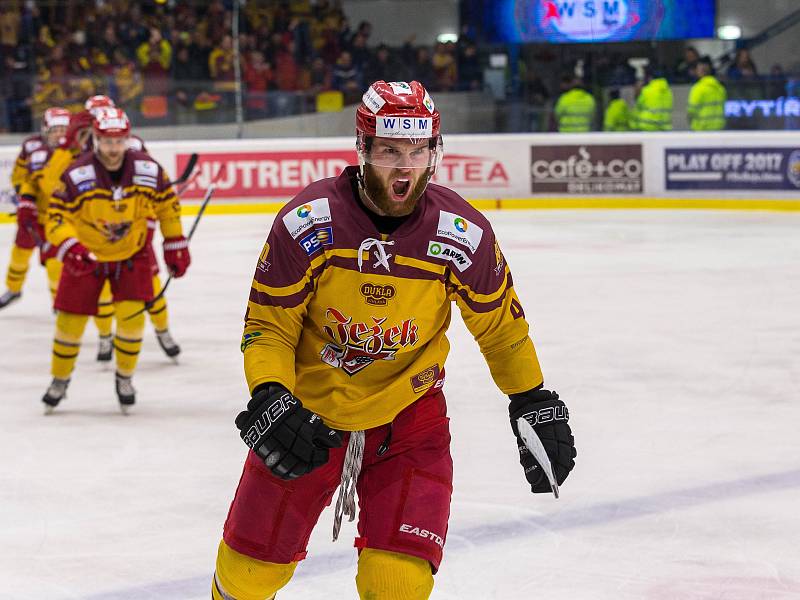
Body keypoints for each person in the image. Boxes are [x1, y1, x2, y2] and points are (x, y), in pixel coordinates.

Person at [212, 80, 576, 600]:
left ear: (435, 152)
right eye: (388, 151)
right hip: (309, 416)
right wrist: (271, 395)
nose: (404, 167)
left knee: (397, 586)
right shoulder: (308, 223)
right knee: (245, 578)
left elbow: (500, 326)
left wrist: (532, 398)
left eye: (417, 150)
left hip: (410, 422)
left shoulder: (462, 234)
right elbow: (269, 326)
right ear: (362, 149)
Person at [41, 108, 190, 413]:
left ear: (127, 139)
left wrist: (175, 243)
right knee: (69, 324)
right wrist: (71, 247)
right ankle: (60, 379)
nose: (113, 149)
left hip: (131, 257)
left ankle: (124, 377)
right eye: (107, 142)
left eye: (119, 141)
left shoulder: (148, 170)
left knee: (132, 321)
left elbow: (167, 206)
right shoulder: (75, 173)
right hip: (86, 259)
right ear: (95, 139)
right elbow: (55, 217)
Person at [84, 96, 183, 360]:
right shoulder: (83, 151)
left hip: (136, 235)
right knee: (102, 294)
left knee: (149, 287)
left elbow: (150, 187)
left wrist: (150, 219)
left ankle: (163, 331)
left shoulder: (134, 146)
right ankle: (105, 337)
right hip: (101, 237)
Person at [0, 108, 68, 309]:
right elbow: (19, 175)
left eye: (64, 129)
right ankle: (13, 289)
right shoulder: (31, 146)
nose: (60, 134)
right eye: (55, 129)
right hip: (32, 215)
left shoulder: (74, 151)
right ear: (45, 129)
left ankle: (60, 302)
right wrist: (25, 199)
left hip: (57, 218)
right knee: (19, 254)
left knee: (56, 264)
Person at [688, 57, 727, 131]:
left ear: (699, 71)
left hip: (702, 131)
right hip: (719, 130)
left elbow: (691, 111)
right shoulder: (720, 88)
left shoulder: (697, 89)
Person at [631, 66, 673, 131]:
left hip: (647, 126)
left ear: (650, 78)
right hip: (664, 127)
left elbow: (638, 106)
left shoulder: (647, 91)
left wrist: (637, 92)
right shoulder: (668, 92)